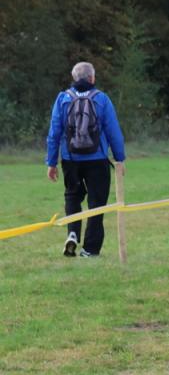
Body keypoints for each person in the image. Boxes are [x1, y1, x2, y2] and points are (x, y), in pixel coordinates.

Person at [45, 61, 126, 258]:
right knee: (97, 202)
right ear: (92, 78)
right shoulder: (102, 99)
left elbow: (54, 133)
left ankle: (72, 232)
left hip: (70, 159)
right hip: (97, 159)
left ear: (74, 78)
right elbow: (113, 131)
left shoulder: (63, 99)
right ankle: (90, 249)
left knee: (72, 196)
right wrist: (119, 158)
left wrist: (51, 162)